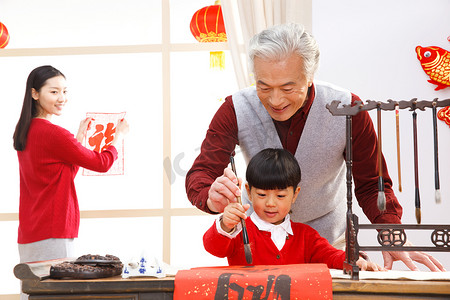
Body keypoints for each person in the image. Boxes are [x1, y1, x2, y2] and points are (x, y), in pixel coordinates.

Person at [186, 23, 445, 271]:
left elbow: (371, 184)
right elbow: (202, 174)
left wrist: (390, 233)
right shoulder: (235, 108)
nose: (275, 100)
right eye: (263, 87)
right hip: (258, 248)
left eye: (288, 87)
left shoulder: (348, 109)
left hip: (330, 246)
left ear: (309, 77)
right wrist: (210, 195)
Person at [13, 65, 129, 266]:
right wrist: (118, 137)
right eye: (54, 91)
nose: (62, 98)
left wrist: (79, 139)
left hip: (30, 232)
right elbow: (102, 163)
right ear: (35, 94)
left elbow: (60, 174)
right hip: (53, 231)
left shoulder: (26, 131)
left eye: (65, 91)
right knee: (55, 294)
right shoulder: (54, 134)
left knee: (32, 294)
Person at [204, 148, 383, 270]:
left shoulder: (306, 236)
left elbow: (329, 255)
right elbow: (214, 248)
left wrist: (354, 260)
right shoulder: (238, 230)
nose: (271, 203)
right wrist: (225, 224)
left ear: (295, 194)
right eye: (262, 195)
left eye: (280, 196)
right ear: (248, 192)